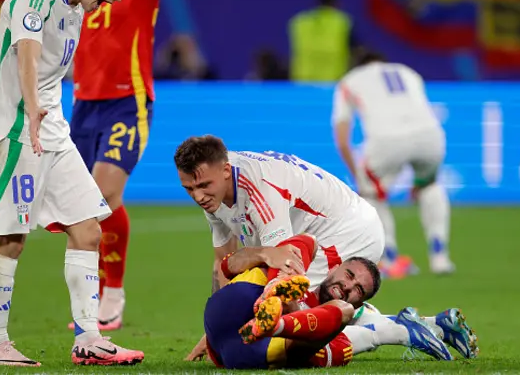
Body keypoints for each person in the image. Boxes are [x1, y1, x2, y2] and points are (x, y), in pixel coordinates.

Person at [0, 0, 221, 331]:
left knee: (104, 195)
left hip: (128, 101)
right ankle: (51, 331)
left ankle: (112, 294)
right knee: (71, 217)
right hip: (79, 106)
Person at [0, 0, 145, 367]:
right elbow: (28, 53)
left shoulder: (75, 9)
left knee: (89, 229)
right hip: (18, 132)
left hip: (54, 134)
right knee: (11, 238)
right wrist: (33, 107)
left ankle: (90, 338)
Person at [174, 135, 477, 361]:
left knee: (301, 335)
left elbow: (283, 268)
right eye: (189, 189)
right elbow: (223, 263)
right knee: (298, 311)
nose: (198, 196)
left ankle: (397, 332)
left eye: (203, 187)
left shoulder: (259, 191)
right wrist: (214, 332)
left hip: (344, 230)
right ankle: (430, 324)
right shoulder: (214, 185)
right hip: (331, 226)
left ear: (226, 171)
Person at [204, 234, 473, 369]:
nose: (347, 286)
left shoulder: (335, 335)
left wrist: (289, 310)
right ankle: (429, 325)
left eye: (358, 290)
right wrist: (267, 257)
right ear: (335, 268)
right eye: (349, 275)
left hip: (246, 350)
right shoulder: (300, 276)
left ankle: (402, 330)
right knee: (303, 244)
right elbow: (229, 266)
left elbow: (308, 352)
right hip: (236, 304)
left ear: (360, 302)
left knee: (337, 323)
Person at [332, 51, 455, 278]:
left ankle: (388, 259)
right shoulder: (408, 72)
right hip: (431, 136)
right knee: (430, 186)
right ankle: (440, 257)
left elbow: (342, 139)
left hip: (386, 140)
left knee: (372, 194)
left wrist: (360, 179)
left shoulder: (350, 80)